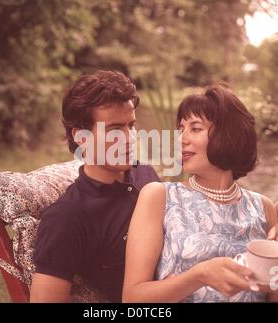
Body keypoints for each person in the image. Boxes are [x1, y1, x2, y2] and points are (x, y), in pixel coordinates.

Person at [122, 84, 278, 302]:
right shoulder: (159, 197)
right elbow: (132, 299)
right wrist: (199, 276)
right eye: (181, 129)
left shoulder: (264, 208)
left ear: (229, 135)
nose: (181, 139)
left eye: (195, 129)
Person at [30, 70, 159, 302]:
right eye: (115, 129)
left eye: (132, 125)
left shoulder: (145, 173)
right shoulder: (67, 218)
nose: (130, 138)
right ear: (81, 137)